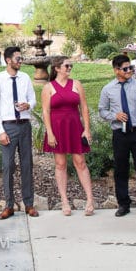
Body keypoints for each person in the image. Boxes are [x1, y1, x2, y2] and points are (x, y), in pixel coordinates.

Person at [98, 54, 136, 217]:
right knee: (120, 170)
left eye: (131, 67)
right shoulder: (108, 89)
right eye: (125, 68)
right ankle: (123, 204)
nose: (129, 70)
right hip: (120, 134)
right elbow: (102, 110)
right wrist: (114, 116)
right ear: (116, 70)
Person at [42, 55, 95, 216]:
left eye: (70, 66)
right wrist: (49, 133)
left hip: (74, 126)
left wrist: (86, 129)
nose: (69, 68)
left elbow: (84, 108)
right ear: (57, 68)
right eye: (66, 66)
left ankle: (90, 200)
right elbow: (45, 111)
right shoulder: (48, 87)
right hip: (57, 128)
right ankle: (64, 201)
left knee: (80, 162)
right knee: (60, 164)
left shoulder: (77, 84)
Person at [0, 46, 37, 219]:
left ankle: (29, 204)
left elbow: (33, 99)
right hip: (8, 126)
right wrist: (0, 131)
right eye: (18, 58)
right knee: (8, 166)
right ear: (8, 60)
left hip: (24, 125)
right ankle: (9, 205)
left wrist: (29, 105)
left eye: (21, 58)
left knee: (27, 165)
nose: (21, 61)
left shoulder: (25, 78)